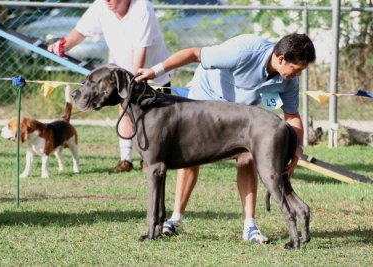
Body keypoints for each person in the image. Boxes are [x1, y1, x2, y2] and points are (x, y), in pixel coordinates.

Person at [135, 33, 316, 243]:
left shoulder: (288, 81)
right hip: (206, 98)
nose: (298, 75)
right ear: (282, 58)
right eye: (297, 69)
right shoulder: (244, 50)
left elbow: (292, 116)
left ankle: (250, 226)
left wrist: (298, 150)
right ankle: (175, 219)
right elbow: (194, 54)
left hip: (239, 112)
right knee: (189, 157)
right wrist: (154, 71)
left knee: (247, 157)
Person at [48, 0, 171, 173]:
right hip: (121, 73)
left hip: (153, 73)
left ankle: (150, 159)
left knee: (153, 117)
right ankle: (126, 160)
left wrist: (134, 82)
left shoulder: (142, 8)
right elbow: (82, 31)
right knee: (125, 112)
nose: (107, 1)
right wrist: (64, 45)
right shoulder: (101, 6)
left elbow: (140, 49)